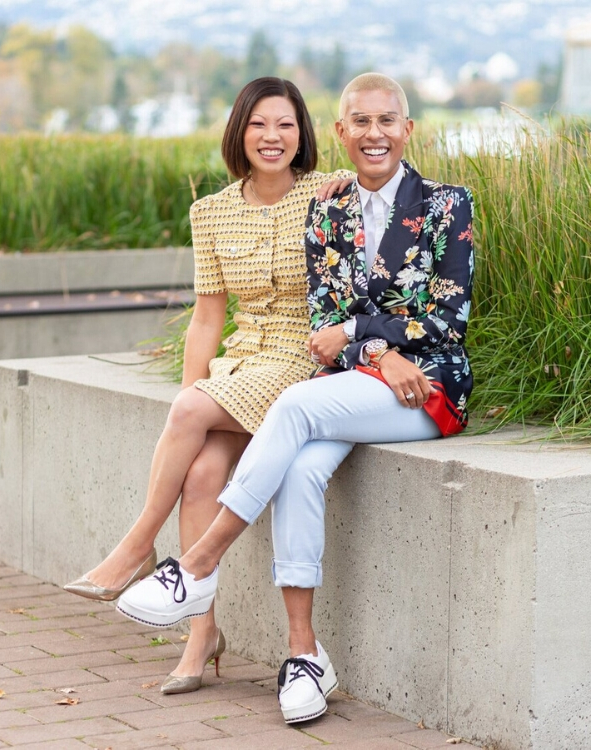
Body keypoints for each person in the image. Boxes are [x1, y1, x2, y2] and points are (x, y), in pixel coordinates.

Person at [116, 72, 475, 724]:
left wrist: (364, 337)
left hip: (427, 389)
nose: (374, 133)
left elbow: (448, 318)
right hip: (357, 381)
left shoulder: (449, 204)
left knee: (295, 405)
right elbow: (323, 330)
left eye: (386, 121)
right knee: (300, 470)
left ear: (407, 129)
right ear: (341, 132)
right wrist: (376, 350)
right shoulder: (327, 212)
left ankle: (196, 565)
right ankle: (305, 655)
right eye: (360, 121)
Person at [64, 76, 351, 695]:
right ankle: (202, 636)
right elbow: (207, 318)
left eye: (285, 124)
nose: (272, 136)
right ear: (238, 132)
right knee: (198, 476)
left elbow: (375, 219)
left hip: (301, 361)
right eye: (258, 124)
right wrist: (192, 403)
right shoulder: (211, 212)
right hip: (242, 364)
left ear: (302, 133)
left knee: (190, 411)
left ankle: (138, 547)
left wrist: (192, 407)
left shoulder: (328, 195)